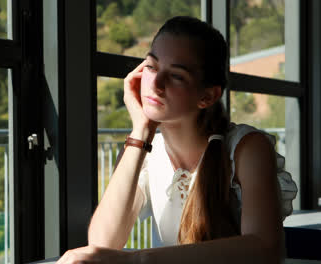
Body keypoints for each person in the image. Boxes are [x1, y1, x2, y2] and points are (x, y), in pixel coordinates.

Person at [56, 16, 297, 264]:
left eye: (177, 76)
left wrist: (137, 260)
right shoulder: (144, 150)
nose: (157, 84)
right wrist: (141, 130)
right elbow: (102, 243)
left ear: (207, 96)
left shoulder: (247, 148)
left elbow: (265, 249)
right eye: (151, 66)